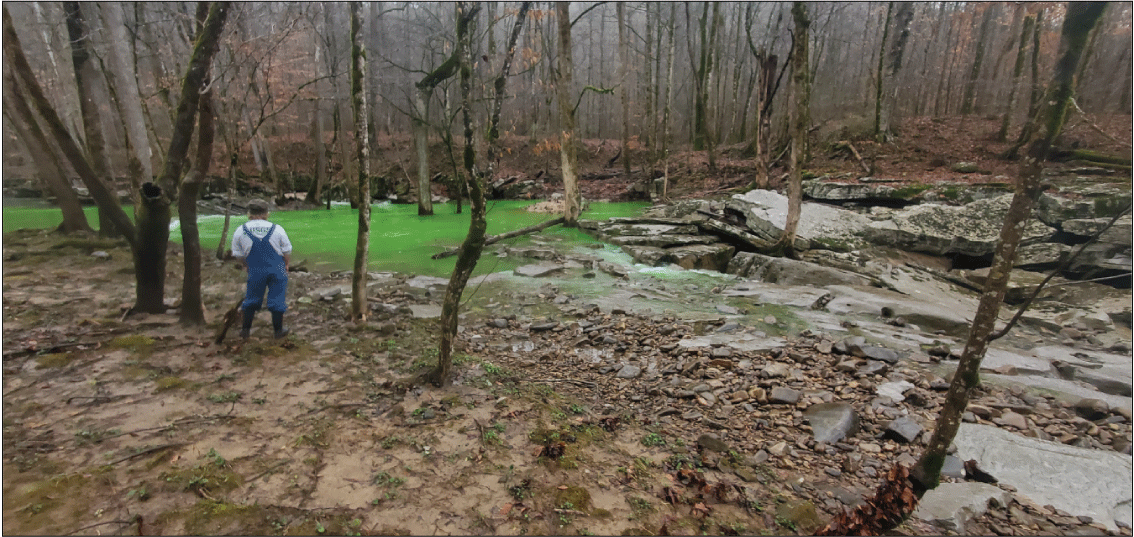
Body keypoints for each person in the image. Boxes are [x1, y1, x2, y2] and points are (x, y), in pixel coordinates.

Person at [231, 199, 292, 339]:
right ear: (267, 214)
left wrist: (246, 265)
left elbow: (238, 254)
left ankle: (245, 330)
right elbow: (287, 250)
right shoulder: (277, 229)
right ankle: (278, 330)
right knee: (277, 299)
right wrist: (286, 264)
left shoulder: (241, 230)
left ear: (249, 214)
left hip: (255, 270)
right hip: (277, 269)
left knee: (251, 299)